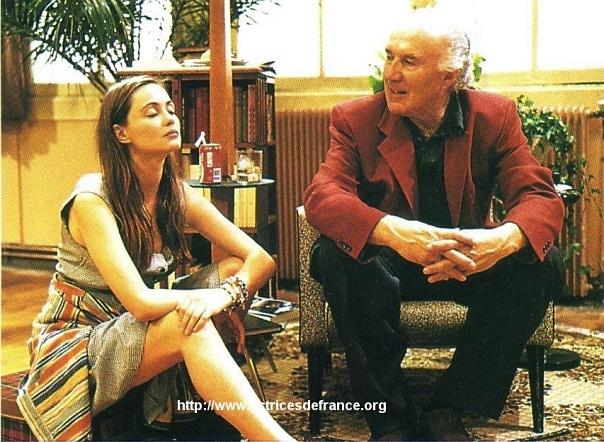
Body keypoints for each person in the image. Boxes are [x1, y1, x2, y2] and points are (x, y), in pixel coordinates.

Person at [304, 9, 564, 441]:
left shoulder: (494, 115)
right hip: (390, 264)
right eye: (389, 57)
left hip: (465, 261)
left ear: (450, 76)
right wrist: (393, 232)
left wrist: (499, 241)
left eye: (409, 61)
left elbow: (539, 196)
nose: (391, 74)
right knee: (333, 254)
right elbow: (323, 195)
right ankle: (390, 419)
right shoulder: (355, 119)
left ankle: (449, 406)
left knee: (542, 261)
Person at [17, 76, 293, 442]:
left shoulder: (176, 194)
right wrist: (212, 300)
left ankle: (207, 412)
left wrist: (224, 296)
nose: (169, 119)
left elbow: (259, 259)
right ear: (121, 133)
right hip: (80, 339)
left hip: (133, 324)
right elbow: (141, 303)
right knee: (188, 322)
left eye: (171, 110)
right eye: (152, 113)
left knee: (230, 270)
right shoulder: (91, 200)